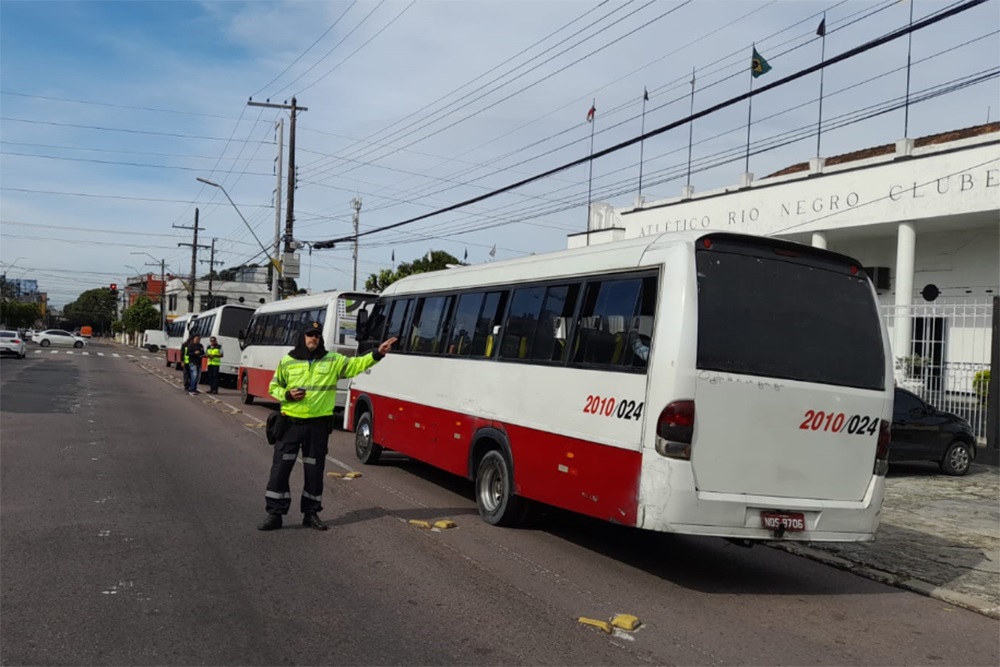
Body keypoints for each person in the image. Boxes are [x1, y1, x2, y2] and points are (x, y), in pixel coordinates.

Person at [258, 322, 398, 532]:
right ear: (302, 337)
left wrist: (377, 354)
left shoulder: (332, 360)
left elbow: (356, 365)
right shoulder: (288, 361)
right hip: (290, 424)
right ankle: (275, 515)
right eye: (309, 335)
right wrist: (286, 395)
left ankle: (311, 514)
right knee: (280, 470)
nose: (313, 338)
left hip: (317, 427)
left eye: (316, 335)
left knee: (314, 472)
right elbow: (273, 386)